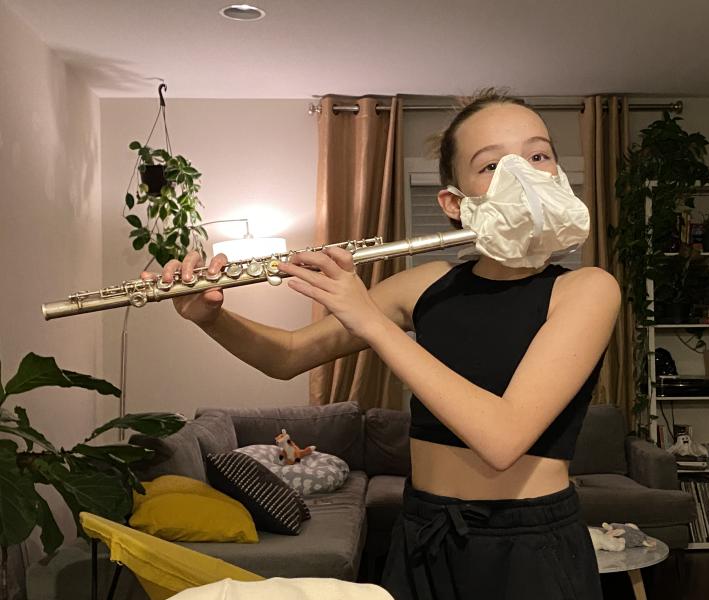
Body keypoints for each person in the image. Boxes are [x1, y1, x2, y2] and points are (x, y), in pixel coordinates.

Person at [149, 89, 620, 600]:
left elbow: (503, 438)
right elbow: (287, 356)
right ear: (454, 203)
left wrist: (373, 323)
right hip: (423, 531)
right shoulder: (424, 284)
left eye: (537, 156)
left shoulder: (587, 289)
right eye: (491, 165)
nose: (521, 174)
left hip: (529, 543)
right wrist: (211, 318)